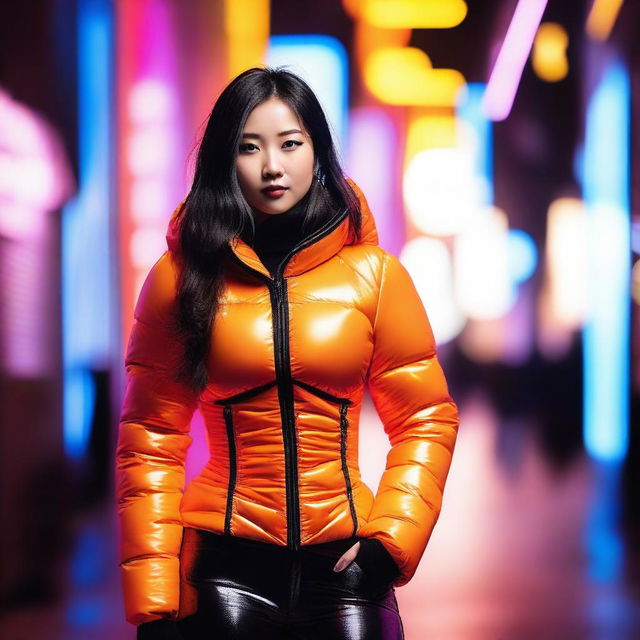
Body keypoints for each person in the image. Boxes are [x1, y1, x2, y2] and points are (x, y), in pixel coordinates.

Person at [115, 66, 460, 640]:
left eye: (290, 144)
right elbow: (149, 439)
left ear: (318, 152)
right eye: (249, 148)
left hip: (347, 568)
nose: (272, 166)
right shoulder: (180, 279)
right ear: (226, 160)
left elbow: (427, 418)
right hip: (222, 571)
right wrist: (153, 602)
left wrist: (391, 540)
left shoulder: (375, 277)